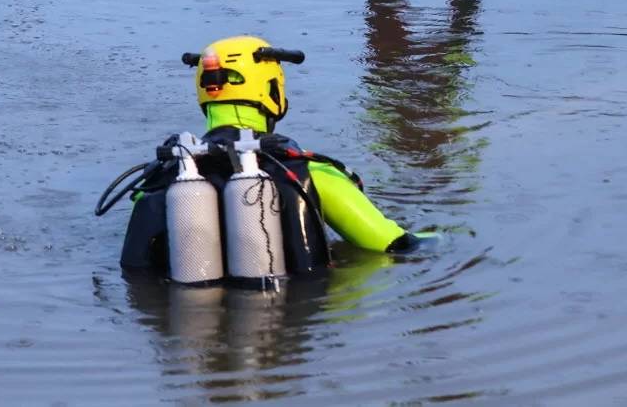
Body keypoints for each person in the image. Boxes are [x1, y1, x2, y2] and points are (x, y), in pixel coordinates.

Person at [112, 36, 420, 281]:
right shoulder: (306, 170)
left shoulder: (167, 173)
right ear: (273, 91)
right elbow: (390, 244)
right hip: (287, 314)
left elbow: (134, 270)